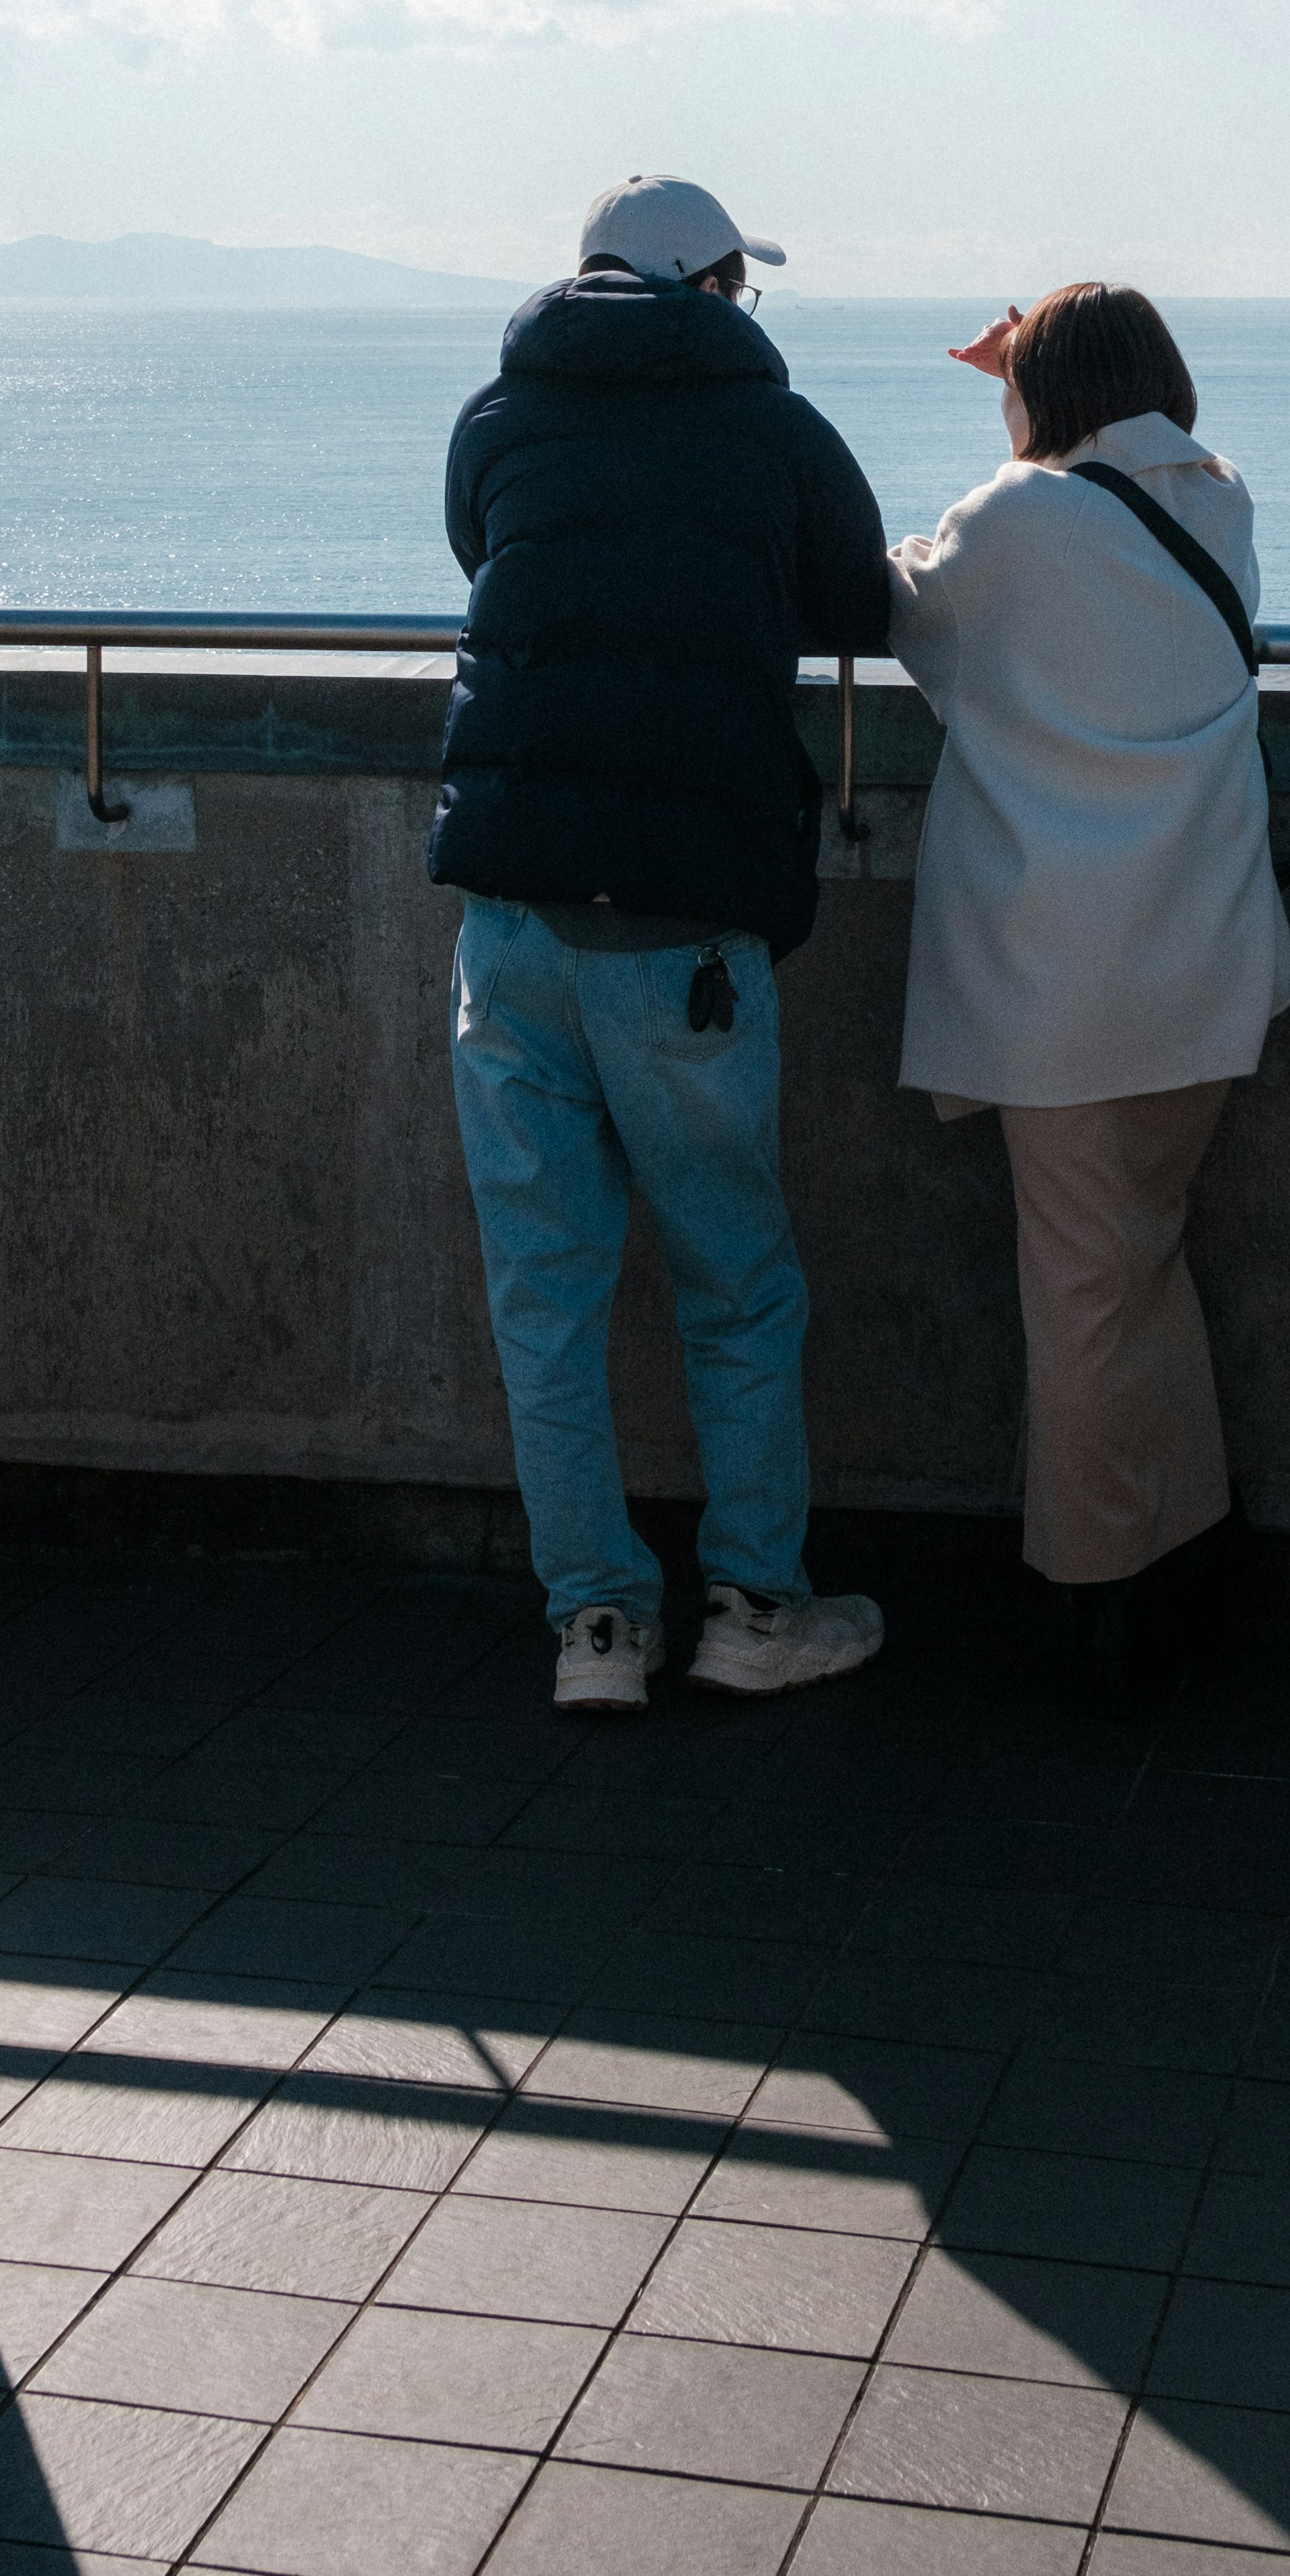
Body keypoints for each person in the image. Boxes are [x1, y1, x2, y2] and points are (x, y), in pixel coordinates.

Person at [428, 174, 896, 1715]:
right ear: (711, 287)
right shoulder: (775, 430)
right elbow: (859, 603)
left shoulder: (498, 416)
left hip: (512, 920)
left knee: (543, 1300)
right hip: (687, 925)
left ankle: (599, 1633)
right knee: (737, 1285)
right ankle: (757, 1605)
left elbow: (482, 558)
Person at [889, 281, 1290, 1686]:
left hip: (1065, 980)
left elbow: (921, 622)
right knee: (1139, 1261)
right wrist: (1044, 392)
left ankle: (1101, 1597)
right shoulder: (1222, 501)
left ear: (1040, 392)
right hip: (1210, 960)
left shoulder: (1015, 518)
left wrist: (1015, 421)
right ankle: (1190, 1546)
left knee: (1079, 1289)